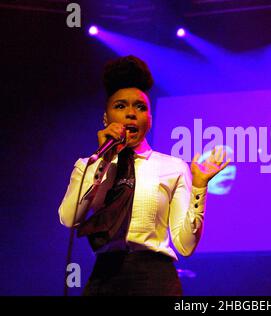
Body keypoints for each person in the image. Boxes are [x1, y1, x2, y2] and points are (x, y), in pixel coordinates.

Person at [58, 55, 229, 296]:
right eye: (120, 106)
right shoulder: (89, 165)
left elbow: (185, 245)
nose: (130, 114)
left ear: (150, 119)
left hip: (155, 278)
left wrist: (199, 186)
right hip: (105, 276)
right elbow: (69, 218)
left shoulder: (173, 167)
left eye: (140, 107)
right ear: (105, 118)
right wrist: (105, 161)